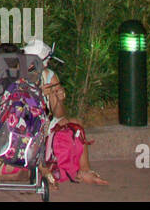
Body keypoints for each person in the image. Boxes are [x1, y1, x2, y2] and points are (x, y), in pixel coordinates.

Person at [23, 38, 108, 186]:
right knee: (39, 129)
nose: (47, 64)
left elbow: (59, 114)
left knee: (76, 124)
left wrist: (58, 97)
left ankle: (85, 171)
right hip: (26, 124)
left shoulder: (49, 75)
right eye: (44, 61)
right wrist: (37, 94)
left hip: (47, 121)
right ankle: (43, 171)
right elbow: (21, 110)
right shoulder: (21, 77)